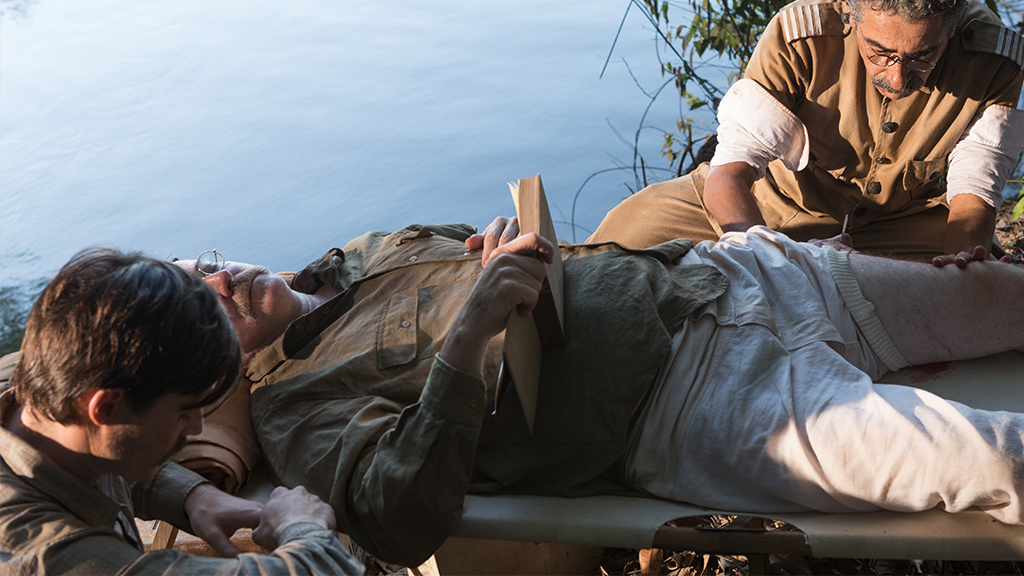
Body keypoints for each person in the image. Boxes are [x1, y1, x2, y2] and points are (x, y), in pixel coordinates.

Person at [176, 217, 1024, 567]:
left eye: (203, 268)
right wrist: (468, 335)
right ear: (209, 374)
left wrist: (501, 246)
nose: (220, 282)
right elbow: (398, 508)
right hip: (703, 403)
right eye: (200, 307)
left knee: (1009, 295)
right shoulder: (295, 403)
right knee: (997, 460)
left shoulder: (365, 249)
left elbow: (498, 251)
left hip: (725, 276)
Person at [589, 0, 1024, 266]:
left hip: (904, 222)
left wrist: (958, 264)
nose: (897, 75)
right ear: (851, 16)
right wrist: (769, 258)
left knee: (982, 285)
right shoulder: (798, 35)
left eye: (923, 55)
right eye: (880, 52)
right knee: (620, 243)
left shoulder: (994, 59)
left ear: (952, 28)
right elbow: (730, 175)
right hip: (770, 206)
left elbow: (975, 189)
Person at [0, 247, 363, 575]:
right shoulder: (41, 556)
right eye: (185, 412)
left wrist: (194, 495)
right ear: (105, 406)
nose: (196, 428)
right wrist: (305, 528)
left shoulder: (40, 412)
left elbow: (92, 450)